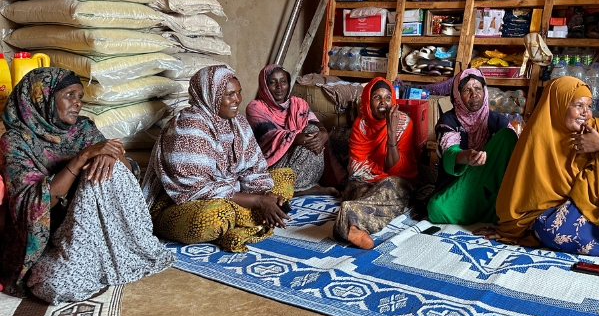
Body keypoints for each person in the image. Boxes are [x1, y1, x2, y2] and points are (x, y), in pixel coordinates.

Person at [0, 68, 173, 304]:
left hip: (98, 229)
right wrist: (82, 158)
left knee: (112, 168)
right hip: (54, 237)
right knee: (55, 285)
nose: (78, 103)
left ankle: (110, 257)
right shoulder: (16, 142)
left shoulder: (84, 130)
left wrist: (112, 154)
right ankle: (94, 263)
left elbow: (126, 174)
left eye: (80, 96)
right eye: (69, 95)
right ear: (43, 98)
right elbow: (31, 207)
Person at [477, 76, 599, 276]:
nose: (586, 113)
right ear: (558, 105)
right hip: (567, 210)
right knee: (550, 230)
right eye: (578, 105)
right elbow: (522, 194)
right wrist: (509, 230)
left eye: (588, 106)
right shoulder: (536, 139)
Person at [143, 65, 295, 253]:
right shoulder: (188, 127)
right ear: (210, 95)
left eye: (238, 93)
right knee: (218, 216)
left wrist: (265, 194)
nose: (237, 99)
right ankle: (251, 220)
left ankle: (253, 218)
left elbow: (254, 168)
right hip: (184, 203)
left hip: (234, 194)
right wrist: (257, 201)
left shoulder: (237, 122)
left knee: (285, 177)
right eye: (229, 95)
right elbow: (196, 189)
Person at [333, 77, 418, 250]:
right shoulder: (361, 125)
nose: (383, 102)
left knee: (392, 187)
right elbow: (356, 167)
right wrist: (377, 176)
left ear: (393, 101)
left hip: (394, 180)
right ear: (368, 101)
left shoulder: (404, 124)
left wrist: (391, 132)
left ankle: (346, 223)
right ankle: (352, 227)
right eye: (377, 97)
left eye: (388, 98)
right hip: (364, 180)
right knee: (360, 191)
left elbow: (397, 169)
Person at [427, 69, 518, 224]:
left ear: (485, 91)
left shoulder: (497, 121)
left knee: (508, 136)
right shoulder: (449, 120)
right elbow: (450, 151)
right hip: (461, 184)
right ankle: (490, 212)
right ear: (457, 95)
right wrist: (467, 157)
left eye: (478, 88)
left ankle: (491, 208)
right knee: (435, 209)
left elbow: (515, 153)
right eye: (467, 90)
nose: (474, 94)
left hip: (490, 182)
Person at [246, 64, 337, 196]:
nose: (279, 87)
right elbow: (269, 135)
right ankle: (299, 190)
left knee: (313, 131)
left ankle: (297, 188)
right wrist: (296, 138)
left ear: (288, 84)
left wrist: (323, 133)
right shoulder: (255, 107)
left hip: (300, 164)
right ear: (264, 86)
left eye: (283, 82)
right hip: (272, 165)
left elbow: (315, 123)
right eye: (272, 82)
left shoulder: (298, 104)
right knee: (309, 137)